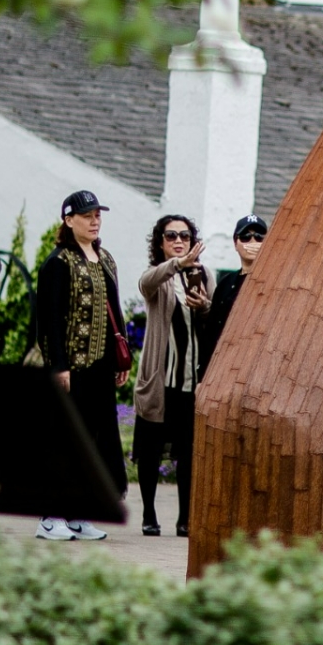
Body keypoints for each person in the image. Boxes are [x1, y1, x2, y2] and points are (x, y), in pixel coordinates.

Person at [35, 190, 131, 541]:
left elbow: (115, 309)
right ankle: (50, 516)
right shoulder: (58, 262)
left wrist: (123, 357)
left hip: (101, 366)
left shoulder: (105, 258)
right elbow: (50, 320)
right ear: (68, 220)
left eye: (98, 215)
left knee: (94, 439)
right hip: (72, 366)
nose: (94, 220)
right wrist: (58, 366)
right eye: (87, 215)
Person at [134, 214, 216, 538]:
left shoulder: (204, 275)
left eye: (184, 235)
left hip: (189, 381)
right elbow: (147, 284)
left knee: (187, 450)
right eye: (171, 236)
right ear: (160, 242)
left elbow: (210, 320)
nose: (178, 240)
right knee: (151, 450)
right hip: (159, 381)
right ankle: (149, 514)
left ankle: (185, 518)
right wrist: (177, 264)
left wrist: (205, 306)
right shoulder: (158, 275)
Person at [199, 214, 267, 370]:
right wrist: (202, 376)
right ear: (235, 243)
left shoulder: (276, 283)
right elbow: (211, 332)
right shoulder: (226, 283)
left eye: (259, 237)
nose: (252, 242)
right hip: (223, 367)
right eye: (245, 237)